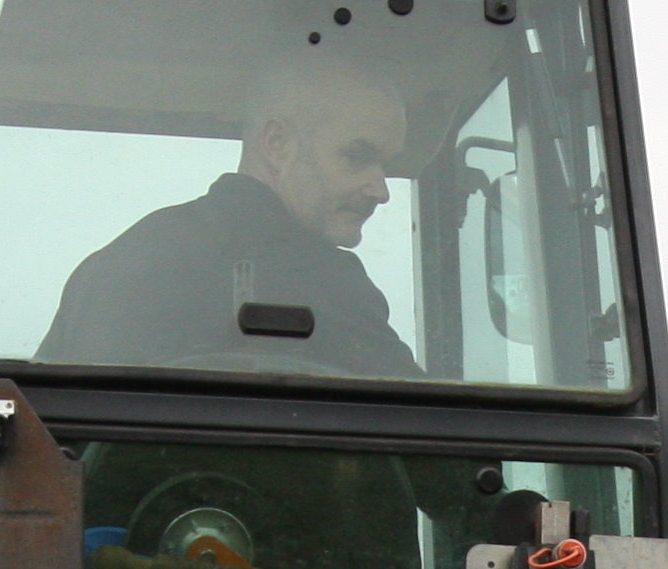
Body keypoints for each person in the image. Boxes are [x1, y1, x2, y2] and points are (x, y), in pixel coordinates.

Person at [41, 53, 423, 379]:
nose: (381, 190)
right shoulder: (327, 279)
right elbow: (421, 423)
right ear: (277, 143)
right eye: (357, 157)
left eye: (386, 166)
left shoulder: (115, 263)